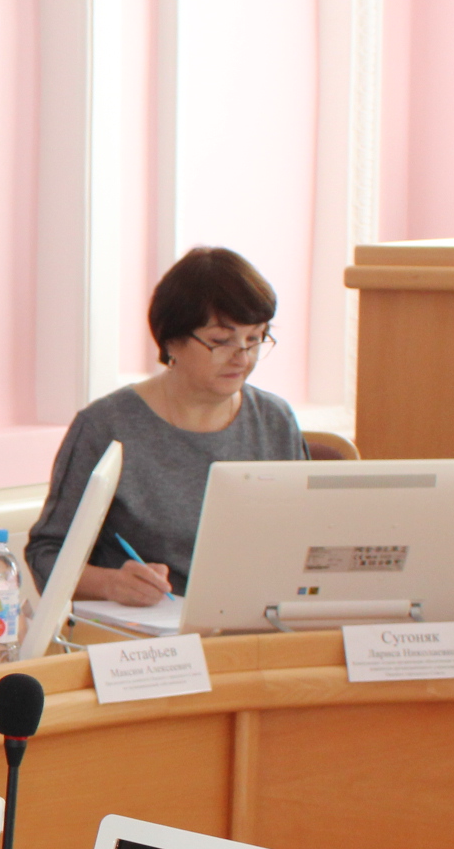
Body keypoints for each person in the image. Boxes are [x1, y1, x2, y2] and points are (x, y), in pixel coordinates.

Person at [26, 246, 309, 604]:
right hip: (149, 627)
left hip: (253, 618)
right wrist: (111, 583)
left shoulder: (275, 420)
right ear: (172, 339)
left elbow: (306, 538)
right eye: (221, 341)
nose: (243, 357)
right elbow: (46, 554)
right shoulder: (107, 426)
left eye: (255, 339)